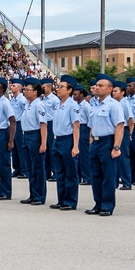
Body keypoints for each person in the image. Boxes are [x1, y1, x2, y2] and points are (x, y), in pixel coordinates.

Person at [86, 74, 125, 217]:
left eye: (100, 85)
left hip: (108, 142)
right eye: (96, 85)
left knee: (108, 176)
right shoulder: (94, 104)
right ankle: (98, 203)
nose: (97, 87)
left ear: (109, 89)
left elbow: (119, 127)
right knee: (95, 175)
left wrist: (116, 147)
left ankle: (107, 206)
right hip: (95, 142)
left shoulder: (114, 105)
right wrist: (91, 141)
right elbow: (91, 126)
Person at [50, 75, 81, 210]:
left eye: (61, 87)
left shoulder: (72, 105)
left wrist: (75, 145)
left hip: (68, 140)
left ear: (69, 90)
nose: (58, 89)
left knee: (70, 172)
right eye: (58, 86)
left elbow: (76, 126)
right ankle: (61, 199)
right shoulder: (58, 104)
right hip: (57, 140)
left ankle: (70, 201)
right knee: (60, 172)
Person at [20, 78, 49, 205]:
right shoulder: (28, 104)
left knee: (37, 167)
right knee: (29, 167)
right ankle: (33, 194)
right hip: (26, 136)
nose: (25, 92)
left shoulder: (39, 105)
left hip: (35, 136)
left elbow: (43, 125)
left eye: (27, 90)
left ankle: (39, 196)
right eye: (24, 89)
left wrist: (43, 143)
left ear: (35, 92)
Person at [73, 85, 92, 186]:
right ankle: (79, 176)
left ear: (81, 94)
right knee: (77, 154)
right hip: (77, 128)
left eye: (76, 94)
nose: (74, 96)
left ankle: (87, 177)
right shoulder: (75, 105)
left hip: (84, 128)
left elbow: (91, 121)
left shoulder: (86, 106)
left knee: (84, 155)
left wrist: (90, 135)